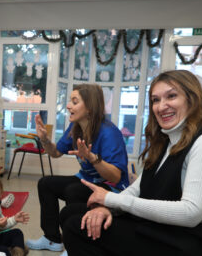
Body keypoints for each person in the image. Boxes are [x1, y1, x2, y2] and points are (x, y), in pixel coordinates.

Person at [61, 70, 202, 256]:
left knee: (77, 227)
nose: (161, 106)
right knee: (73, 213)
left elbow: (191, 213)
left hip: (194, 242)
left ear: (192, 99)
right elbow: (136, 189)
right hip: (168, 230)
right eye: (155, 100)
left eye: (171, 96)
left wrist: (111, 199)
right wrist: (106, 207)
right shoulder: (166, 142)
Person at [26, 84, 129, 252]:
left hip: (111, 187)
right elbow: (56, 152)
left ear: (89, 108)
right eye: (70, 101)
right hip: (86, 179)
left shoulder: (109, 133)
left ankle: (74, 243)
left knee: (74, 190)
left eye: (74, 102)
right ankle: (52, 239)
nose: (68, 106)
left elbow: (116, 177)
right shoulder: (75, 128)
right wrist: (44, 139)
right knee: (46, 183)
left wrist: (92, 158)